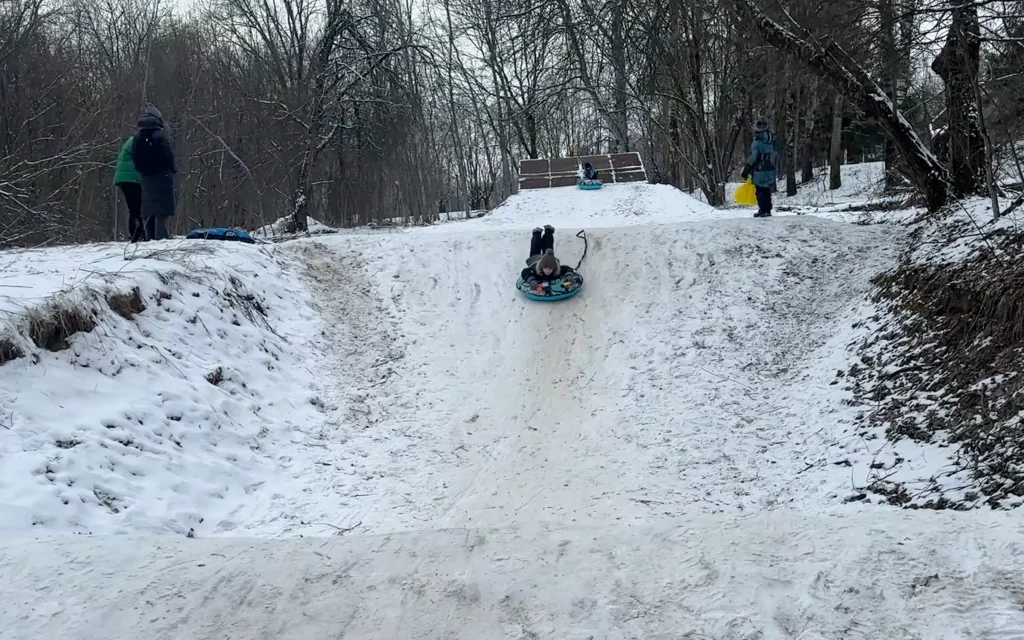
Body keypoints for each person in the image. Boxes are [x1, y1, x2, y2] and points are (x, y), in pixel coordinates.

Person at [132, 105, 176, 240]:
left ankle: (149, 236)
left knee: (148, 205)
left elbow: (133, 155)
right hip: (162, 174)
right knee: (162, 206)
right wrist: (172, 168)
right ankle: (160, 236)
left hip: (145, 175)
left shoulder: (138, 136)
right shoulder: (159, 135)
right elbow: (167, 154)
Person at [741, 118, 778, 218]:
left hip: (760, 170)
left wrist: (747, 169)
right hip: (770, 169)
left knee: (760, 191)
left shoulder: (757, 143)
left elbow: (753, 157)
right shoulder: (772, 140)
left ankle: (763, 210)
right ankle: (767, 210)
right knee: (766, 190)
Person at [113, 136, 144, 242]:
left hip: (125, 178)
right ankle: (137, 234)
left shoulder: (133, 140)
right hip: (131, 178)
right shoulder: (139, 141)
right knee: (137, 208)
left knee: (134, 208)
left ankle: (136, 233)